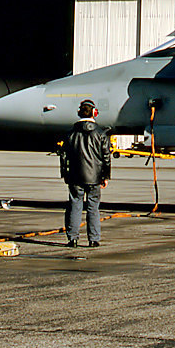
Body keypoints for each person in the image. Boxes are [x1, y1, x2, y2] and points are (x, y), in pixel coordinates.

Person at [59, 99, 111, 247]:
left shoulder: (70, 133)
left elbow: (63, 156)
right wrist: (105, 176)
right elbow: (106, 156)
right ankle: (93, 239)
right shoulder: (101, 133)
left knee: (75, 206)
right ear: (95, 113)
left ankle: (72, 238)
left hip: (75, 176)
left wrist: (65, 174)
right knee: (93, 207)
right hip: (94, 176)